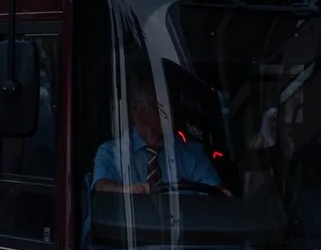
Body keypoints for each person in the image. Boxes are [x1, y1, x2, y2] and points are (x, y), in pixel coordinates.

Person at [92, 81, 223, 195]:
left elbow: (214, 193)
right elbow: (102, 188)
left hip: (183, 223)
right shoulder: (111, 152)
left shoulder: (192, 153)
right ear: (135, 110)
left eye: (169, 106)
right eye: (158, 107)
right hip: (133, 223)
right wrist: (127, 191)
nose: (167, 114)